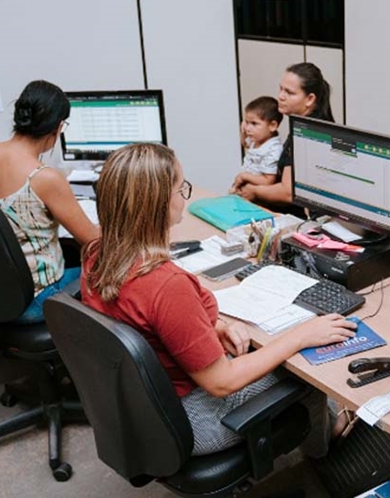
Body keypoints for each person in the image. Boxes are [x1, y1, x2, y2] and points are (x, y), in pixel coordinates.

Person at [81, 143, 358, 456]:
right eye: (179, 188)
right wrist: (300, 336)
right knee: (303, 368)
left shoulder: (97, 252)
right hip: (192, 419)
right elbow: (222, 383)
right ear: (158, 203)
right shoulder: (165, 285)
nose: (183, 195)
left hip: (142, 406)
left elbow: (145, 322)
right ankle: (326, 447)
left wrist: (212, 327)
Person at [0, 80, 99, 323]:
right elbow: (94, 240)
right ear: (57, 127)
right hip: (37, 298)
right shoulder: (44, 177)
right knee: (106, 274)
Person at [234, 62, 334, 216]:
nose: (281, 96)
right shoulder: (310, 123)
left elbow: (288, 192)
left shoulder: (308, 135)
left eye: (289, 92)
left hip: (296, 219)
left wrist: (253, 191)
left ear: (309, 99)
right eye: (281, 89)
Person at [229, 96, 284, 194]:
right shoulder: (256, 139)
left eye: (254, 123)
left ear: (272, 126)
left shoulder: (273, 149)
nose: (248, 128)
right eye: (247, 122)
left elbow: (268, 180)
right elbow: (245, 144)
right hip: (246, 187)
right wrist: (243, 133)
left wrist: (244, 176)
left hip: (259, 196)